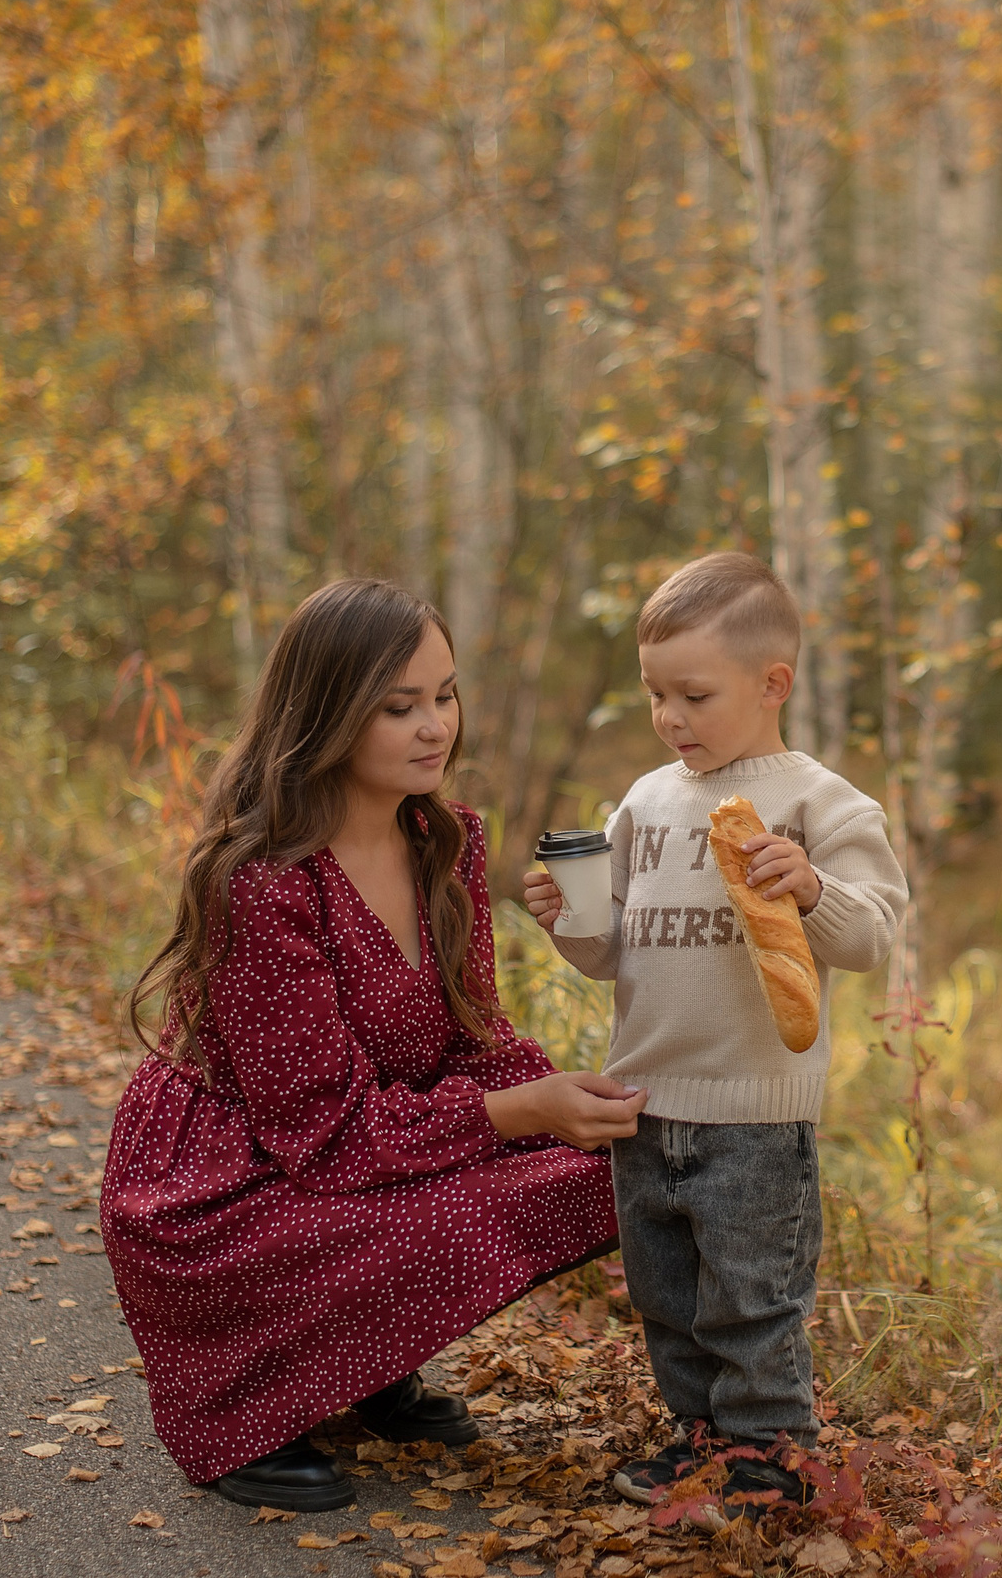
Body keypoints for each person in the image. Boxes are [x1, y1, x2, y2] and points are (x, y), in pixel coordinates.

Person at [102, 579, 641, 1512]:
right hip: (225, 1188)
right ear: (328, 716)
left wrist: (569, 1100)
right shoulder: (263, 884)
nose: (436, 726)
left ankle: (362, 1355)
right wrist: (521, 1112)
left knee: (605, 1166)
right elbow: (330, 1137)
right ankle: (255, 1409)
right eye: (400, 707)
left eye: (445, 693)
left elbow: (476, 1041)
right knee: (456, 1206)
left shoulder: (446, 840)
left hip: (353, 1142)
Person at [522, 551, 907, 1518]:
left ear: (772, 684)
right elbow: (612, 950)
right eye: (656, 695)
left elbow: (873, 934)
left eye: (694, 695)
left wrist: (812, 886)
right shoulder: (646, 803)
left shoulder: (818, 802)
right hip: (648, 1099)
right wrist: (564, 918)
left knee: (751, 1298)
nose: (671, 718)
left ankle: (770, 1453)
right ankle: (699, 1441)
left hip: (754, 1114)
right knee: (669, 1297)